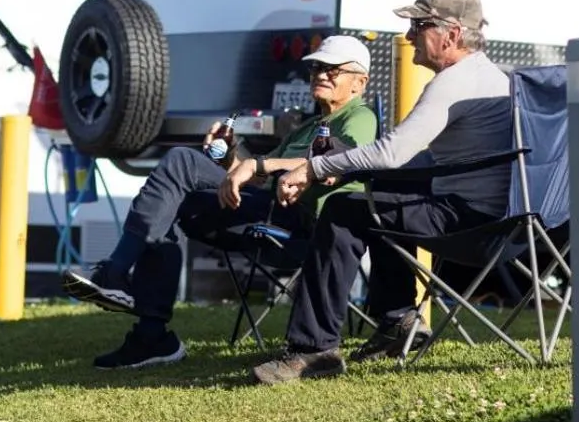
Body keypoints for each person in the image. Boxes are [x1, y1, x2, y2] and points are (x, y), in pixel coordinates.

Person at [61, 35, 379, 370]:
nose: (320, 74)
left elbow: (338, 162)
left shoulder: (359, 117)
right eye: (316, 67)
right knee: (170, 200)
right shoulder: (310, 125)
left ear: (359, 82)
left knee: (181, 162)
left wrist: (258, 165)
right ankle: (151, 334)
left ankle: (116, 274)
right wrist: (231, 156)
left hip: (301, 220)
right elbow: (256, 175)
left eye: (332, 70)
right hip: (266, 205)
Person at [250, 0, 514, 385]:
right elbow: (418, 160)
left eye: (419, 25)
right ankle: (397, 321)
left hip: (467, 226)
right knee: (382, 200)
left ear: (453, 34)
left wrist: (313, 169)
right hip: (509, 226)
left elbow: (393, 152)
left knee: (344, 209)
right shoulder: (496, 78)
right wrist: (352, 166)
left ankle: (314, 349)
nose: (408, 37)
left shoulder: (453, 82)